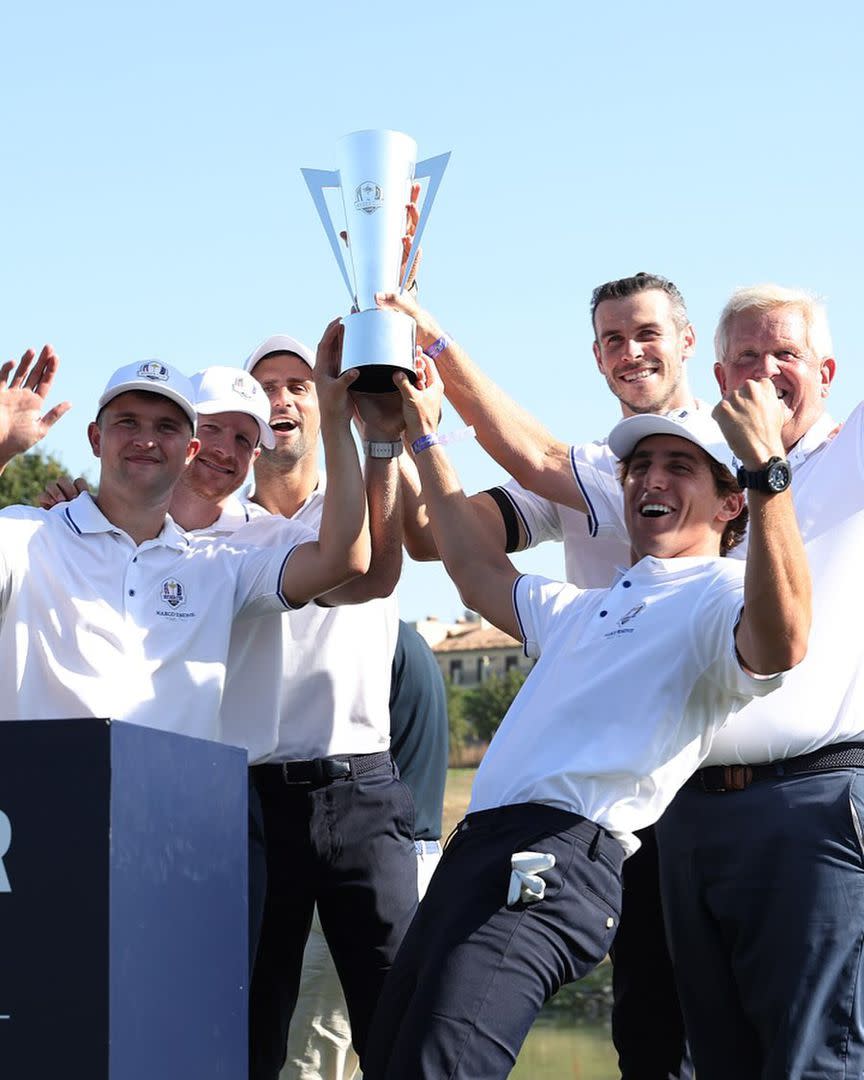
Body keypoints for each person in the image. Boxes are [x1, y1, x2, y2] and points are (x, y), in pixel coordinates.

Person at [362, 349, 810, 1080]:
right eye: (640, 467)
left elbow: (782, 640)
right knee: (389, 1061)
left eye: (680, 466)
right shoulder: (594, 604)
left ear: (729, 504)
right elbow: (476, 573)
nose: (651, 480)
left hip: (556, 854)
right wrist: (424, 436)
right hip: (477, 851)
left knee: (438, 1068)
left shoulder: (718, 594)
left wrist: (769, 480)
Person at [384, 272, 701, 1077]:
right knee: (642, 1028)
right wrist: (403, 434)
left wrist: (433, 339)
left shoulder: (714, 457)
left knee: (693, 1025)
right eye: (612, 340)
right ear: (595, 357)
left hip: (695, 773)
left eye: (648, 334)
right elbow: (440, 543)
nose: (631, 352)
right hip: (594, 789)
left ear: (688, 342)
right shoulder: (597, 468)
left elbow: (530, 450)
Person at [642, 285, 864, 1079]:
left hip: (808, 808)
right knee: (717, 1061)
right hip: (693, 817)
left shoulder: (847, 458)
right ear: (720, 372)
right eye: (745, 357)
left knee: (815, 1061)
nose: (765, 371)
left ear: (827, 371)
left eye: (786, 355)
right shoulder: (709, 483)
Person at [0, 335, 369, 735]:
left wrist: (336, 421)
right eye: (128, 422)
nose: (146, 440)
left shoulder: (216, 566)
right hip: (39, 791)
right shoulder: (27, 534)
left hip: (181, 793)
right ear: (95, 438)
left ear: (190, 449)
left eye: (166, 427)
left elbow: (342, 560)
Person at [237, 335, 420, 1080]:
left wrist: (375, 434)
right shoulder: (210, 523)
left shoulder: (370, 490)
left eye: (298, 385)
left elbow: (376, 566)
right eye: (265, 388)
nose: (281, 400)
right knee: (248, 1025)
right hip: (248, 800)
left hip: (361, 790)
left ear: (326, 401)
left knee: (398, 1022)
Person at [280, 619, 449, 1080]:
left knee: (313, 1056)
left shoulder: (352, 641)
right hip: (415, 860)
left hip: (367, 857)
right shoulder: (406, 639)